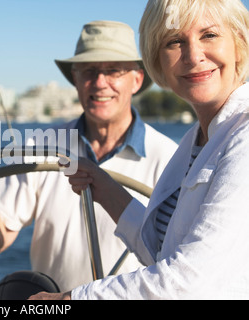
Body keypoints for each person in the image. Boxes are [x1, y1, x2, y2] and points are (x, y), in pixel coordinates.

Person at [29, 0, 249, 300]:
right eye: (175, 41)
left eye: (209, 35)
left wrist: (67, 300)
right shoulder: (197, 140)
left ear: (239, 41)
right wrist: (104, 186)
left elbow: (190, 283)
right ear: (157, 59)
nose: (194, 56)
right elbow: (161, 250)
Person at [0, 20, 178, 292]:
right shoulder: (39, 146)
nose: (100, 83)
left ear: (136, 80)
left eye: (113, 70)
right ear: (76, 80)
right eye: (89, 71)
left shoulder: (170, 159)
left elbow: (178, 264)